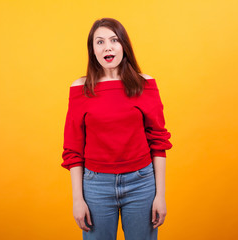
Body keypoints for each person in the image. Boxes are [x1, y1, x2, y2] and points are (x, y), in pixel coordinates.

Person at [61, 17, 173, 240]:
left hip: (141, 183)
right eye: (99, 42)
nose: (108, 47)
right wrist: (77, 199)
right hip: (96, 187)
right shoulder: (80, 89)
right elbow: (73, 149)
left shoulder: (145, 84)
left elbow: (158, 142)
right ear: (93, 50)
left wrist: (160, 195)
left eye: (114, 40)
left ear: (124, 45)